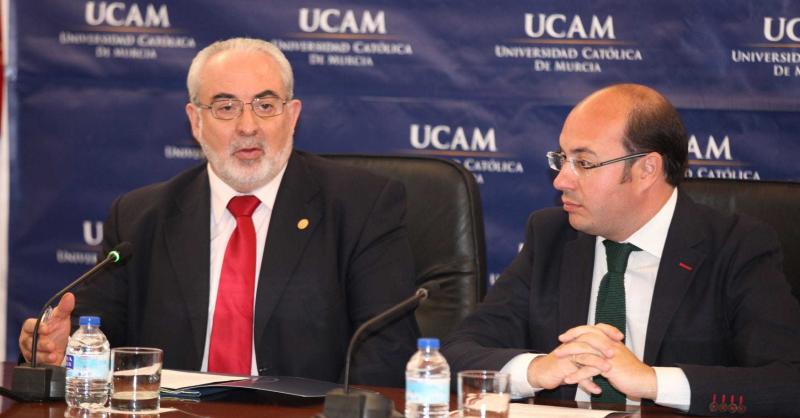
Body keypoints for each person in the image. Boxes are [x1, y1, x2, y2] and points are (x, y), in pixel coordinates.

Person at [18, 37, 419, 387]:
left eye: (265, 105)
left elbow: (385, 354)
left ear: (292, 116)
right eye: (226, 107)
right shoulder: (139, 218)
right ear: (196, 121)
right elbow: (92, 335)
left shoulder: (362, 207)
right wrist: (57, 348)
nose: (248, 126)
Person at [441, 83, 800, 415]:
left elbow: (788, 382)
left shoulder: (736, 247)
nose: (561, 180)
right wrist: (537, 370)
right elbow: (456, 354)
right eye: (561, 158)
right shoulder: (551, 236)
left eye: (584, 163)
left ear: (647, 169)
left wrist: (652, 381)